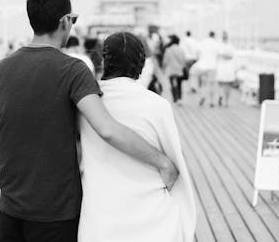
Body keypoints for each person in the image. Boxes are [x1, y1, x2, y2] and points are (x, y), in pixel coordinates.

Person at [0, 0, 179, 242]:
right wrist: (163, 162)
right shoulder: (73, 70)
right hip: (58, 214)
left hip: (11, 210)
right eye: (73, 19)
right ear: (64, 21)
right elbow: (107, 129)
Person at [78, 32, 196, 242]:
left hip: (101, 220)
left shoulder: (85, 105)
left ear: (104, 60)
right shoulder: (157, 106)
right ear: (141, 64)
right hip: (152, 220)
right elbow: (175, 164)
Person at [190, 31, 219, 107]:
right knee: (212, 84)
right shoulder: (216, 43)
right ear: (214, 35)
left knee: (203, 84)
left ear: (208, 35)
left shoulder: (203, 42)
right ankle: (212, 101)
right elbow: (218, 55)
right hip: (212, 66)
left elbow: (196, 52)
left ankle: (202, 96)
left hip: (202, 66)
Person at [163, 35, 187, 104]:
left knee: (172, 84)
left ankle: (174, 98)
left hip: (171, 70)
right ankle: (179, 98)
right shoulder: (181, 49)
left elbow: (165, 61)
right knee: (179, 84)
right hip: (179, 70)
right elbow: (184, 60)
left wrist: (163, 68)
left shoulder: (168, 49)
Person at [216, 31, 236, 107]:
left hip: (227, 68)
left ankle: (226, 101)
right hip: (221, 67)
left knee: (227, 85)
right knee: (221, 84)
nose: (224, 38)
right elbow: (217, 56)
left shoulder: (230, 46)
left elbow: (231, 56)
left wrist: (222, 55)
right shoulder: (219, 46)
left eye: (225, 37)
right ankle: (222, 97)